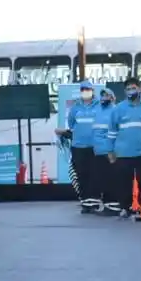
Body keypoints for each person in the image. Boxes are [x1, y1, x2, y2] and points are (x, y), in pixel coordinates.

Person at [107, 76, 141, 217]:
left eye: (133, 88)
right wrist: (110, 151)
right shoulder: (118, 109)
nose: (131, 91)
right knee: (123, 183)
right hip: (122, 153)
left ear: (140, 89)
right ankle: (125, 208)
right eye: (128, 89)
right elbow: (111, 132)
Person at [57, 80, 98, 212]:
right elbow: (72, 125)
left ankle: (94, 202)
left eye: (88, 89)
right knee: (81, 175)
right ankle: (85, 203)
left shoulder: (99, 106)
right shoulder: (75, 108)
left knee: (94, 175)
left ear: (92, 91)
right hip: (78, 147)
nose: (85, 92)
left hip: (95, 146)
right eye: (83, 89)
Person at [90, 87, 117, 215]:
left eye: (106, 95)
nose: (103, 98)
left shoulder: (115, 111)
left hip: (109, 152)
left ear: (112, 98)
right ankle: (107, 205)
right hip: (98, 152)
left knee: (111, 180)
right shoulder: (97, 111)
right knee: (102, 180)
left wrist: (112, 150)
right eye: (102, 95)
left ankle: (114, 206)